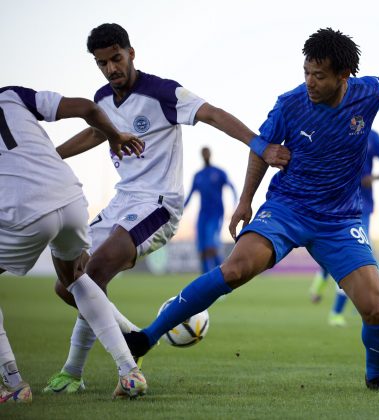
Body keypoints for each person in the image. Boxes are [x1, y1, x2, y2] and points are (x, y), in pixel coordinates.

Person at [124, 28, 379, 393]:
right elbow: (261, 147)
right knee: (234, 269)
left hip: (339, 219)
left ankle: (376, 376)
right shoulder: (291, 104)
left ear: (344, 76)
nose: (310, 82)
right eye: (306, 72)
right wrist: (246, 200)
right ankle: (146, 338)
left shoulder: (367, 93)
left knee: (375, 309)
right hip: (287, 208)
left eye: (320, 75)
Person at [44, 23, 290, 394]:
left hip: (157, 205)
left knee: (92, 274)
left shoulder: (162, 92)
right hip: (120, 202)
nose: (112, 68)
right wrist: (49, 157)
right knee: (68, 285)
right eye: (102, 63)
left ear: (131, 53)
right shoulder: (102, 99)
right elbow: (97, 133)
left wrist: (259, 145)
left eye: (116, 58)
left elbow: (213, 114)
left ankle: (87, 371)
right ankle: (133, 337)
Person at [0, 86, 148, 401]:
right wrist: (114, 135)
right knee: (74, 278)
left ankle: (13, 384)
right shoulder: (11, 95)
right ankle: (128, 371)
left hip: (23, 207)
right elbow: (88, 108)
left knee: (74, 278)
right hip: (69, 196)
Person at [309, 130, 379, 327]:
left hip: (362, 207)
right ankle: (321, 281)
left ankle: (336, 312)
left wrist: (374, 178)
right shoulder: (338, 129)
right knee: (333, 255)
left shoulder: (374, 138)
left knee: (353, 258)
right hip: (336, 204)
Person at [184, 147, 237, 273]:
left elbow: (232, 188)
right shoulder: (198, 176)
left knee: (211, 246)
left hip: (216, 213)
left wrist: (235, 206)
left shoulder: (219, 172)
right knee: (202, 249)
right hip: (202, 215)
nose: (205, 155)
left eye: (207, 153)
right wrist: (178, 211)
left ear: (210, 154)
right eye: (203, 153)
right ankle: (204, 279)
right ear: (202, 155)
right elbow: (190, 195)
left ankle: (223, 275)